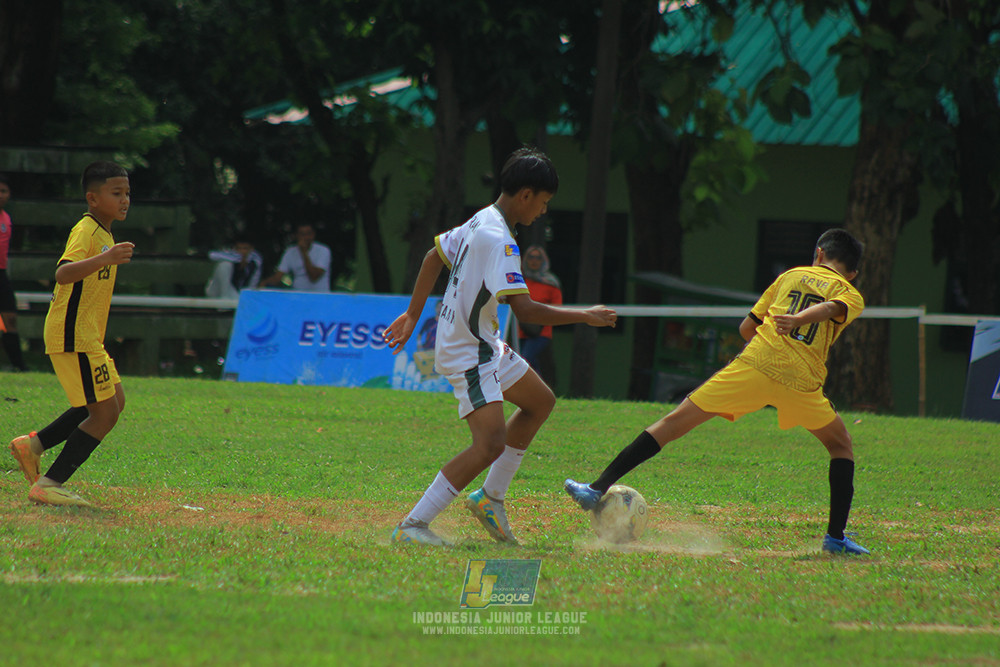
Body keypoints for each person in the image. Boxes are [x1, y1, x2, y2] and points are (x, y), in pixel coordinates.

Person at [565, 228, 871, 555]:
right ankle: (835, 538)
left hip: (754, 365)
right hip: (801, 380)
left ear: (819, 254)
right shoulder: (850, 293)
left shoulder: (791, 275)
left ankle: (596, 488)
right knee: (840, 445)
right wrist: (798, 323)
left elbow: (747, 328)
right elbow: (830, 309)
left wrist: (787, 325)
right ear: (852, 273)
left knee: (672, 424)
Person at [383, 147, 618, 546]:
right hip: (468, 350)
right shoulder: (501, 242)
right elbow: (525, 312)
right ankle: (413, 525)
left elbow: (432, 257)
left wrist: (412, 314)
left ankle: (491, 499)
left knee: (539, 402)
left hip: (484, 343)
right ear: (526, 195)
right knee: (489, 444)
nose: (543, 211)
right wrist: (585, 316)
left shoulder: (482, 219)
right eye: (543, 202)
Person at [8, 161, 135, 506]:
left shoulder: (104, 233)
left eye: (127, 193)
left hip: (88, 337)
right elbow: (63, 274)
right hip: (72, 335)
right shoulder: (87, 230)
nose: (125, 200)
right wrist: (106, 258)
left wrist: (108, 255)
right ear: (92, 199)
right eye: (116, 193)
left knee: (114, 402)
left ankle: (33, 445)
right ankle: (49, 485)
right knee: (104, 413)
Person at [518, 245, 562, 380]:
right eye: (531, 257)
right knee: (529, 361)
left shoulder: (551, 283)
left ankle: (534, 388)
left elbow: (557, 307)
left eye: (538, 258)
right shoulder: (519, 280)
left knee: (526, 358)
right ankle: (540, 388)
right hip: (521, 329)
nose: (534, 261)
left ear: (544, 261)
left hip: (542, 331)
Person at [0, 173, 29, 371]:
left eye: (3, 191)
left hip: (1, 274)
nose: (0, 195)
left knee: (10, 318)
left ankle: (19, 366)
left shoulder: (6, 218)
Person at [259, 222, 331, 292]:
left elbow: (314, 276)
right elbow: (278, 277)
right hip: (297, 294)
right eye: (302, 234)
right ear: (296, 236)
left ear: (313, 234)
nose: (306, 237)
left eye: (308, 234)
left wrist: (304, 252)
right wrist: (264, 283)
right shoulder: (290, 252)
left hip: (319, 295)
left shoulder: (323, 250)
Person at [205, 235, 263, 299]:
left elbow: (253, 282)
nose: (241, 251)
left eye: (245, 248)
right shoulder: (231, 254)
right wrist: (237, 259)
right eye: (239, 248)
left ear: (251, 249)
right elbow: (212, 255)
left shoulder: (255, 260)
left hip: (235, 292)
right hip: (216, 290)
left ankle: (226, 299)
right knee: (225, 264)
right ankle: (224, 298)